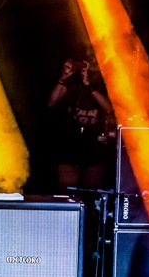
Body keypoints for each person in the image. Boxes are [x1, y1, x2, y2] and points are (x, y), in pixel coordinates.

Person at [47, 56, 114, 192]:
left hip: (93, 145)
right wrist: (62, 79)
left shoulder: (104, 82)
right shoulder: (73, 81)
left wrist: (88, 84)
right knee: (66, 190)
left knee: (91, 191)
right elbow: (51, 102)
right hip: (70, 143)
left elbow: (108, 108)